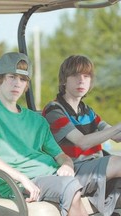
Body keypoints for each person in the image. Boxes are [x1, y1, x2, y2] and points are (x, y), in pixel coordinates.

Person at [0, 52, 88, 216]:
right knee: (71, 188)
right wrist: (22, 178)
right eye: (12, 77)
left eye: (23, 80)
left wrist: (67, 164)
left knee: (110, 174)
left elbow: (60, 155)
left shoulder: (36, 120)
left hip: (51, 173)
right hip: (21, 182)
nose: (17, 84)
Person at [42, 55, 121, 216]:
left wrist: (117, 130)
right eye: (75, 75)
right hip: (73, 170)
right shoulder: (54, 110)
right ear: (64, 80)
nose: (81, 80)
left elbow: (115, 135)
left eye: (86, 76)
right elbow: (82, 142)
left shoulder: (87, 111)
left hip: (93, 166)